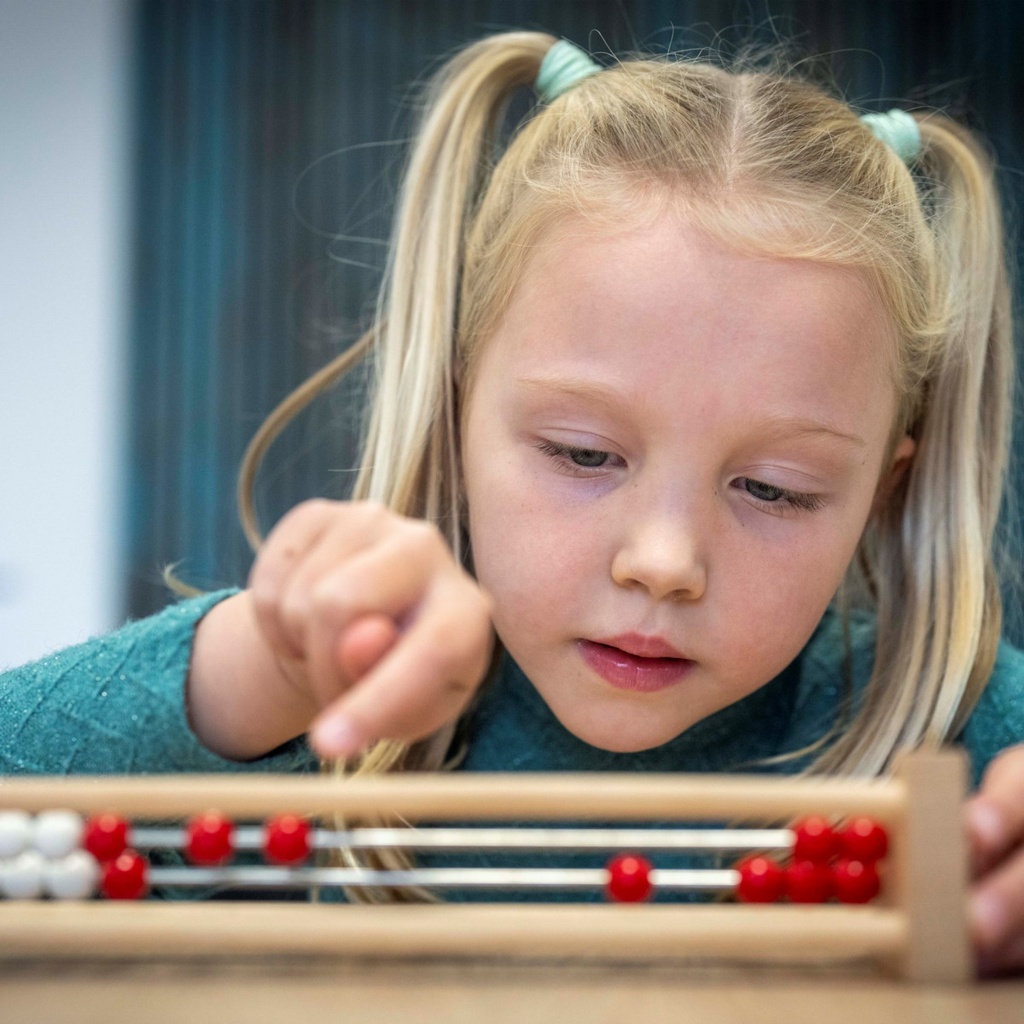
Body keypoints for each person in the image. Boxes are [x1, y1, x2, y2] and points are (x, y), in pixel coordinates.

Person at [2, 31, 1023, 971]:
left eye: (773, 488)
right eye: (582, 453)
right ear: (456, 414)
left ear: (881, 492)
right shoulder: (328, 712)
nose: (662, 560)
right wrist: (257, 671)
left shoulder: (970, 747)